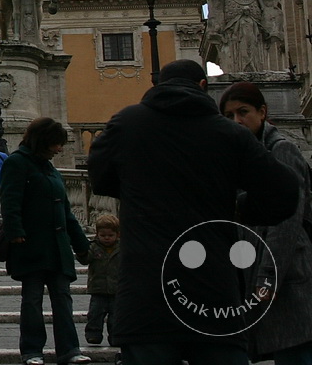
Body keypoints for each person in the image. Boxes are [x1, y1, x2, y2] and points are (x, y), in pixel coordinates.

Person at [87, 60, 299, 365]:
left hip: (147, 290)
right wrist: (241, 208)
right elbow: (284, 194)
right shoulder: (229, 133)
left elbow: (101, 179)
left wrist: (141, 192)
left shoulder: (127, 124)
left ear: (158, 86)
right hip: (213, 290)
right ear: (203, 87)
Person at [219, 80, 312, 364]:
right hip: (260, 273)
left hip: (289, 277)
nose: (237, 120)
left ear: (262, 112)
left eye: (243, 112)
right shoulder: (239, 157)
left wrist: (266, 280)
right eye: (229, 116)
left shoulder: (281, 150)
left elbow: (287, 225)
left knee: (296, 353)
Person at [1, 117, 91, 365]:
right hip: (29, 245)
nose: (59, 149)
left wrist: (82, 245)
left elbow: (66, 211)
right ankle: (31, 351)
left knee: (63, 298)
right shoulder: (17, 163)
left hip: (57, 246)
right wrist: (15, 231)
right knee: (32, 300)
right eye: (56, 144)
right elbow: (10, 202)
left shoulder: (50, 168)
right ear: (44, 141)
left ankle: (70, 349)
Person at [84, 214, 120, 348]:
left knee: (116, 317)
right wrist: (82, 250)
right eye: (103, 235)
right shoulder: (93, 247)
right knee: (95, 314)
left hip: (116, 289)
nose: (106, 238)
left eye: (110, 235)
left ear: (117, 235)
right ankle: (93, 334)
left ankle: (115, 336)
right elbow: (85, 259)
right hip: (98, 288)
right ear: (97, 234)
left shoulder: (121, 248)